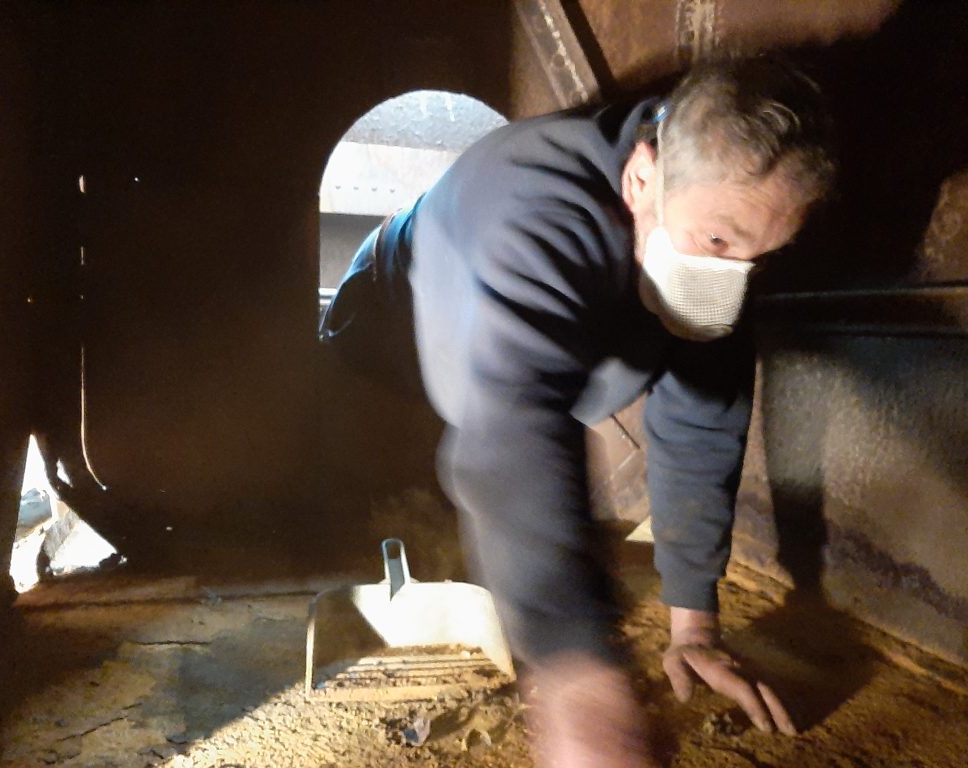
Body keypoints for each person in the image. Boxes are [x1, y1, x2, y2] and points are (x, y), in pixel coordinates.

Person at [320, 55, 835, 767]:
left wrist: (694, 627)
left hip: (523, 331)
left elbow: (703, 413)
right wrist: (578, 679)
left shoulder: (708, 220)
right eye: (717, 242)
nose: (733, 277)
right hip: (378, 322)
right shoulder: (528, 212)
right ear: (641, 176)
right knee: (429, 466)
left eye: (762, 255)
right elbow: (513, 422)